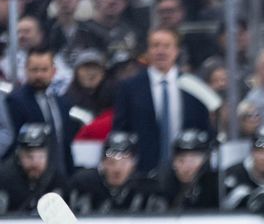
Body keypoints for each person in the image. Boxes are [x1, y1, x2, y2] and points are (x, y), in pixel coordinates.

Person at [112, 28, 213, 174]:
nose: (161, 51)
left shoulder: (193, 85)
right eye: (155, 45)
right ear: (147, 51)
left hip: (187, 172)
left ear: (176, 50)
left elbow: (204, 129)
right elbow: (121, 130)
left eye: (166, 46)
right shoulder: (130, 88)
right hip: (142, 171)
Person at [6, 46, 79, 172]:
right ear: (26, 70)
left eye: (44, 70)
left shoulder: (61, 102)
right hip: (29, 175)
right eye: (34, 70)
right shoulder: (15, 101)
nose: (39, 75)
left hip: (59, 175)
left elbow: (65, 144)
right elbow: (13, 143)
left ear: (53, 71)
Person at [66, 131, 155, 214]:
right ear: (103, 164)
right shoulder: (83, 186)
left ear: (133, 165)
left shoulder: (145, 189)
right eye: (112, 162)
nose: (117, 169)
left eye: (123, 163)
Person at [221, 122, 264, 218]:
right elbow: (232, 202)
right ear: (251, 152)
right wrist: (254, 201)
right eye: (260, 151)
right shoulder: (234, 174)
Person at [0, 123, 65, 215]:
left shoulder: (56, 179)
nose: (35, 163)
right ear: (19, 155)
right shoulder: (4, 179)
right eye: (29, 157)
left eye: (40, 157)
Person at [149, 127, 218, 211]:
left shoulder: (216, 186)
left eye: (193, 159)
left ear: (206, 160)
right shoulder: (161, 186)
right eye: (181, 160)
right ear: (173, 162)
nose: (187, 166)